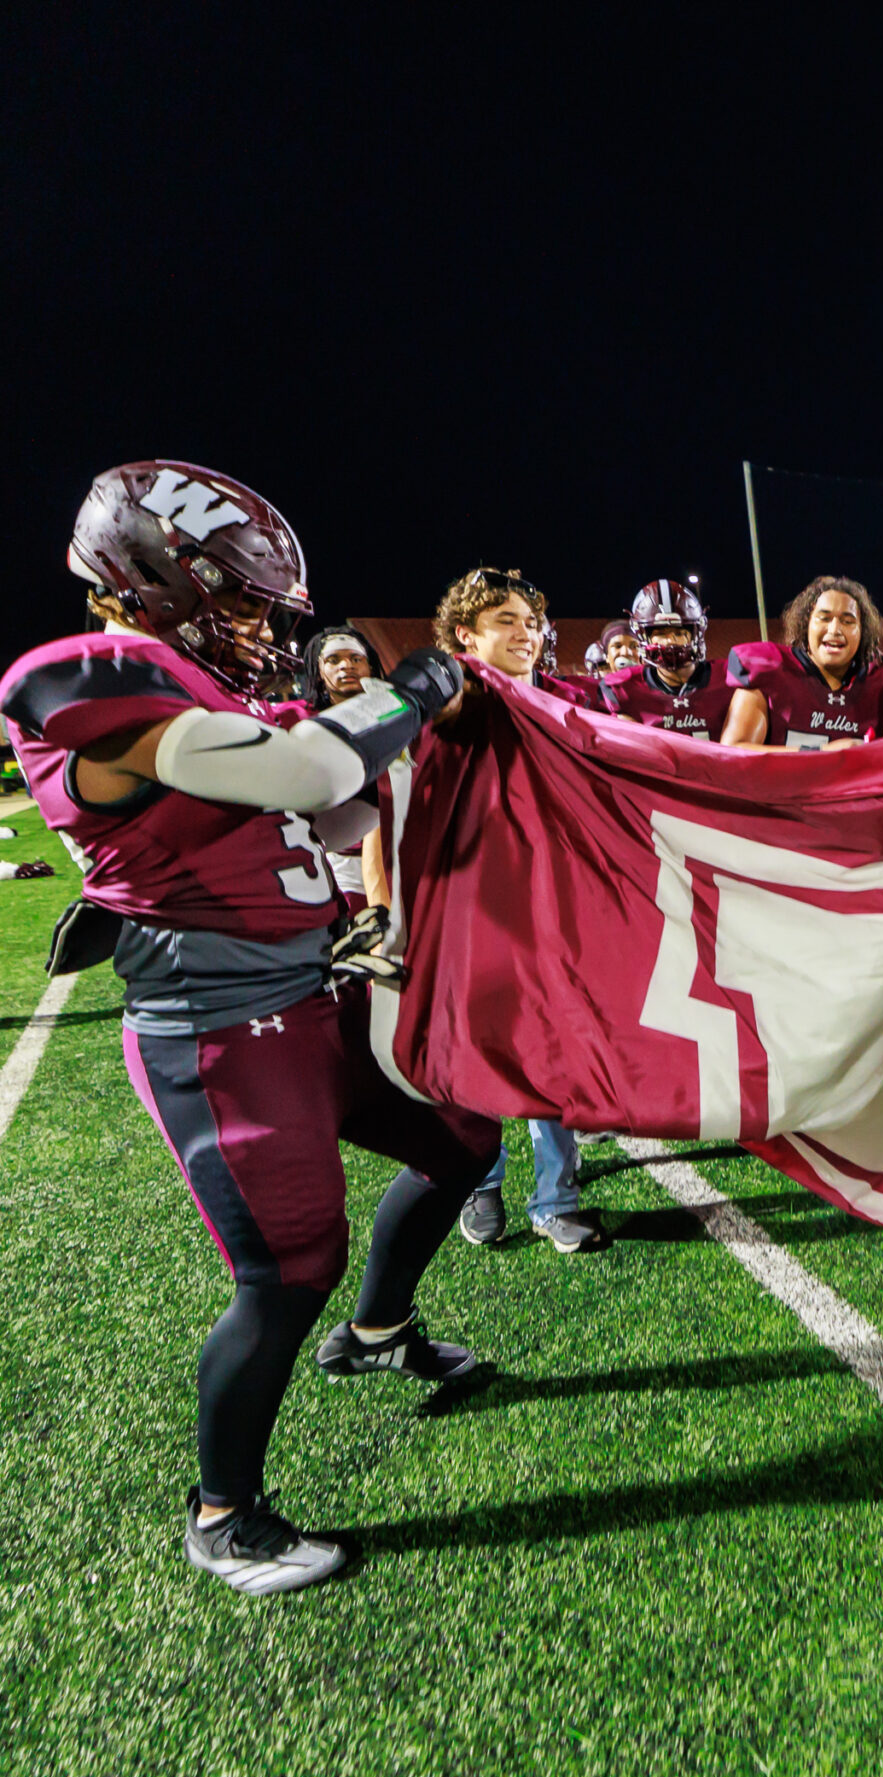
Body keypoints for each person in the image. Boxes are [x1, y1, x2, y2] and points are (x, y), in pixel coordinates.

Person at [0, 461, 495, 1594]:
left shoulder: (202, 688)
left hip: (316, 992)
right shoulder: (89, 676)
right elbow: (313, 763)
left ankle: (377, 1333)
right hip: (219, 1029)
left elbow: (348, 797)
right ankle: (225, 1512)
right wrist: (412, 690)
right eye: (234, 599)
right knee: (286, 1267)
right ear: (146, 582)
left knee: (467, 1129)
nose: (263, 626)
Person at [433, 566, 609, 1255]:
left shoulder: (567, 702)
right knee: (476, 1056)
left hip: (550, 904)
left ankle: (556, 1196)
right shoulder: (447, 700)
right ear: (464, 635)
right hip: (467, 906)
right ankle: (482, 1183)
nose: (525, 633)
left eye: (532, 622)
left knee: (551, 1053)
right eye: (504, 620)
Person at [721, 575, 883, 750]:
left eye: (847, 621)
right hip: (781, 788)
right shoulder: (767, 669)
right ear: (805, 624)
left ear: (863, 632)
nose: (835, 629)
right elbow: (734, 752)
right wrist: (821, 753)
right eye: (824, 618)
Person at [298, 625, 384, 912]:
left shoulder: (397, 714)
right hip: (335, 856)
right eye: (334, 660)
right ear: (318, 671)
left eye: (356, 658)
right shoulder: (301, 722)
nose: (347, 665)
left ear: (370, 666)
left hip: (397, 853)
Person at [600, 578, 737, 737]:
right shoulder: (625, 689)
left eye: (679, 633)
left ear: (696, 633)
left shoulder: (729, 678)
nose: (670, 642)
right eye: (660, 634)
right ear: (643, 637)